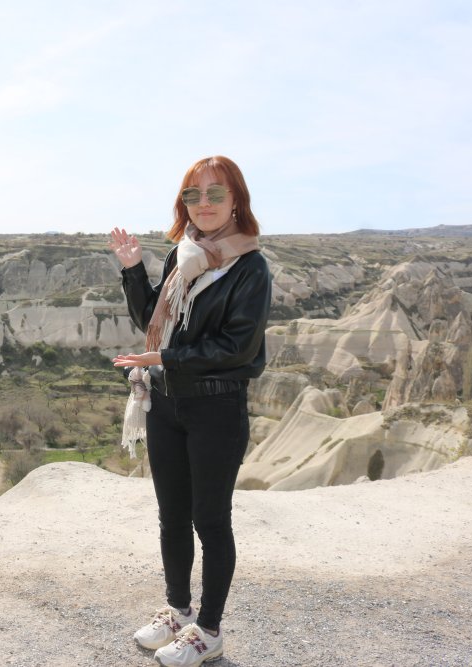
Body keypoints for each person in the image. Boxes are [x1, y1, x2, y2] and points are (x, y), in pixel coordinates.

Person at [109, 156, 271, 667]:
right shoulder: (181, 256)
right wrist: (133, 269)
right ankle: (178, 611)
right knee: (172, 517)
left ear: (236, 200)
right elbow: (152, 319)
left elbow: (238, 348)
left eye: (214, 193)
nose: (203, 204)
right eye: (192, 195)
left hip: (216, 408)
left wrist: (167, 359)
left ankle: (210, 630)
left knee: (211, 521)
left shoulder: (250, 267)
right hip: (167, 404)